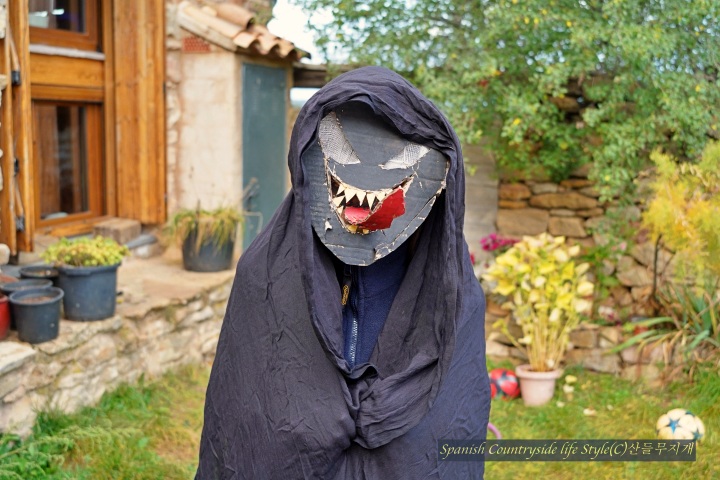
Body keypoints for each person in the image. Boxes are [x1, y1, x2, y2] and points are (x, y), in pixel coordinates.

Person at [196, 66, 491, 479]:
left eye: (399, 159)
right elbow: (245, 434)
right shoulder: (264, 278)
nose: (368, 174)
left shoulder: (452, 299)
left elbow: (451, 430)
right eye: (342, 150)